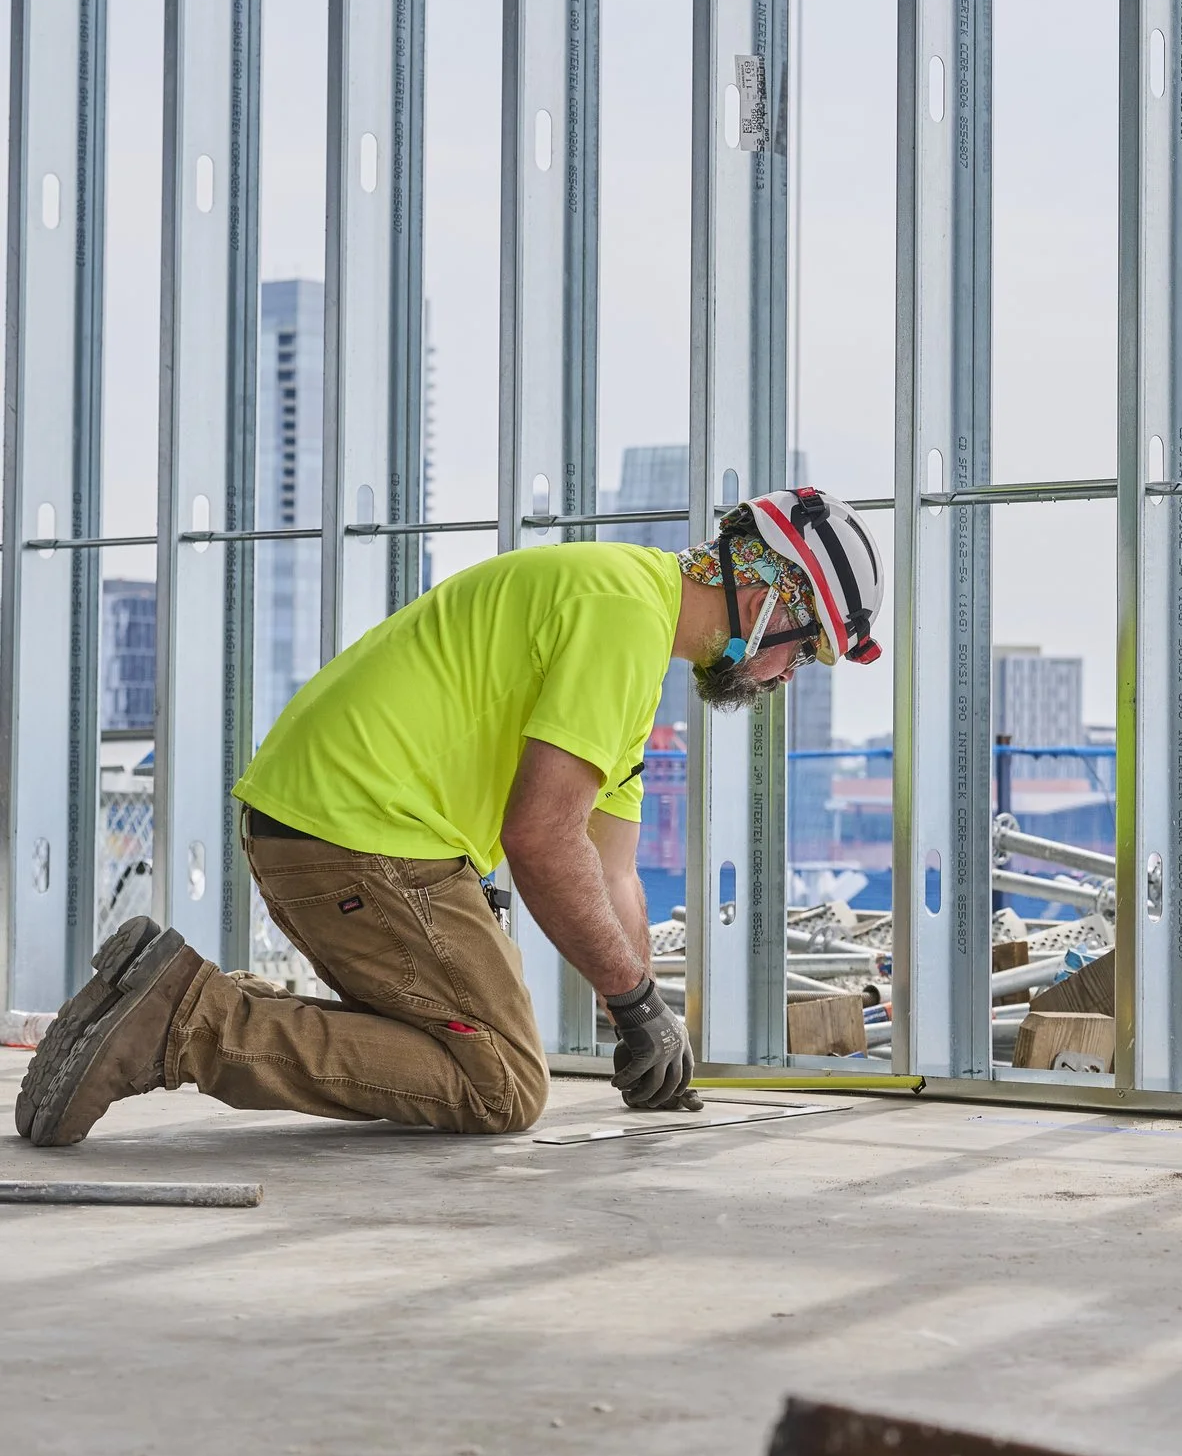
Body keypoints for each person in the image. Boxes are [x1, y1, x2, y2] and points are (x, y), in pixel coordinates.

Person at [14, 489, 883, 1148]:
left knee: (466, 1045)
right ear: (770, 591)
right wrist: (632, 1001)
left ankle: (168, 995)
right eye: (806, 648)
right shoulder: (621, 615)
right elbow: (540, 839)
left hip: (341, 825)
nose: (789, 675)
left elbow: (609, 867)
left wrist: (649, 1022)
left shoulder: (629, 623)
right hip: (364, 837)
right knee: (500, 1084)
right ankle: (185, 1022)